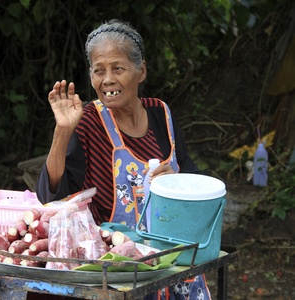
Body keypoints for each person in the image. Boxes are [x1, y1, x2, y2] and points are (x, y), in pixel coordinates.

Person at [35, 19, 210, 300]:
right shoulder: (88, 121)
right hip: (118, 274)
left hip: (173, 264)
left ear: (141, 71)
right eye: (98, 70)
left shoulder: (161, 114)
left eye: (118, 68)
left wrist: (177, 184)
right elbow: (52, 194)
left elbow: (193, 178)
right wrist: (63, 131)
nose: (107, 80)